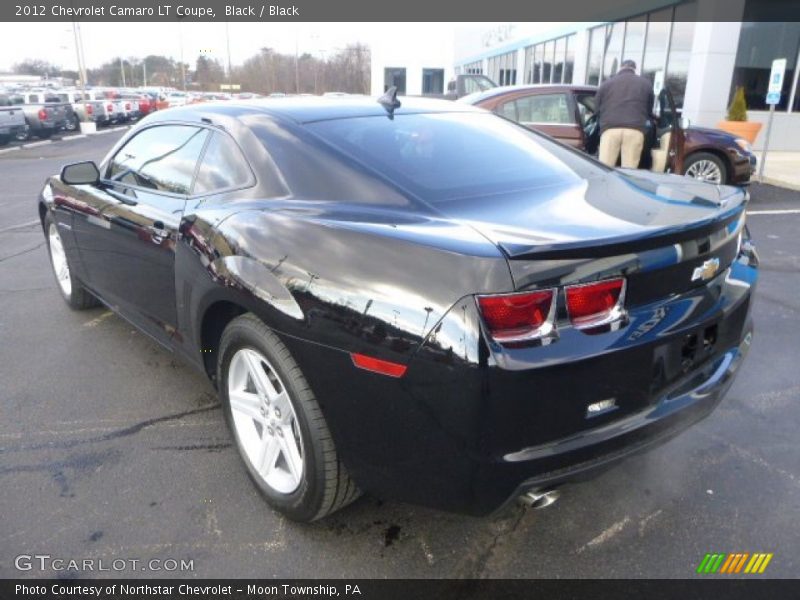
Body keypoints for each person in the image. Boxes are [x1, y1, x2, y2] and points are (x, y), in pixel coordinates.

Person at [595, 59, 654, 169]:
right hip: (635, 130)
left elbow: (596, 108)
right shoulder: (646, 84)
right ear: (634, 69)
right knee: (629, 170)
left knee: (605, 169)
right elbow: (649, 110)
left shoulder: (607, 83)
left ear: (621, 68)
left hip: (610, 130)